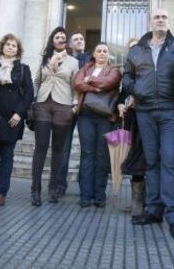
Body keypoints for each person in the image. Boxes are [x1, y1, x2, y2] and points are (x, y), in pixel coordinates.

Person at [122, 8, 174, 239]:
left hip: (170, 112)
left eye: (164, 17)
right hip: (144, 111)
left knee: (171, 162)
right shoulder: (137, 50)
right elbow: (127, 76)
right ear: (150, 21)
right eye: (157, 17)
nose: (161, 20)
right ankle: (154, 210)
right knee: (152, 161)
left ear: (169, 21)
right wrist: (137, 91)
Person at [0, 34, 33, 206]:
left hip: (13, 119)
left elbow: (28, 94)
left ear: (18, 50)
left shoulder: (23, 69)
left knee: (7, 156)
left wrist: (19, 113)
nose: (11, 47)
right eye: (8, 45)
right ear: (2, 47)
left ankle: (1, 192)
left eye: (14, 45)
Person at [30, 26, 79, 206]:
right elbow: (37, 80)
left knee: (58, 149)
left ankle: (53, 188)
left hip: (63, 106)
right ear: (52, 40)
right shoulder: (44, 59)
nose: (60, 39)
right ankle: (35, 189)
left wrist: (75, 106)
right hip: (42, 104)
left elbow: (76, 85)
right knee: (41, 147)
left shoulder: (73, 62)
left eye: (63, 37)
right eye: (57, 37)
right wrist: (33, 100)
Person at [74, 42, 122, 207]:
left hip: (105, 117)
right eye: (99, 51)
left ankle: (99, 196)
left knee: (102, 155)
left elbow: (110, 83)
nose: (102, 53)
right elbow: (78, 83)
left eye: (105, 51)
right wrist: (97, 87)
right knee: (87, 154)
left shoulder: (114, 69)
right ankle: (85, 195)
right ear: (93, 54)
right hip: (86, 116)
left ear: (108, 55)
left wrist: (91, 81)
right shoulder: (85, 69)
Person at [56, 31, 91, 197]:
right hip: (65, 106)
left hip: (85, 108)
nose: (79, 41)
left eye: (81, 39)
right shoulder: (63, 59)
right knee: (64, 147)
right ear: (69, 44)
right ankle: (59, 185)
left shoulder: (91, 61)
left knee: (87, 148)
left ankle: (84, 187)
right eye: (75, 39)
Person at [118, 37, 147, 221]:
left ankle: (148, 201)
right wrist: (121, 104)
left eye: (136, 48)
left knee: (148, 157)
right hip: (132, 121)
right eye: (130, 49)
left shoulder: (148, 70)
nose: (133, 51)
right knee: (134, 158)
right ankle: (137, 200)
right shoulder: (127, 73)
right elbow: (122, 94)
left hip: (148, 118)